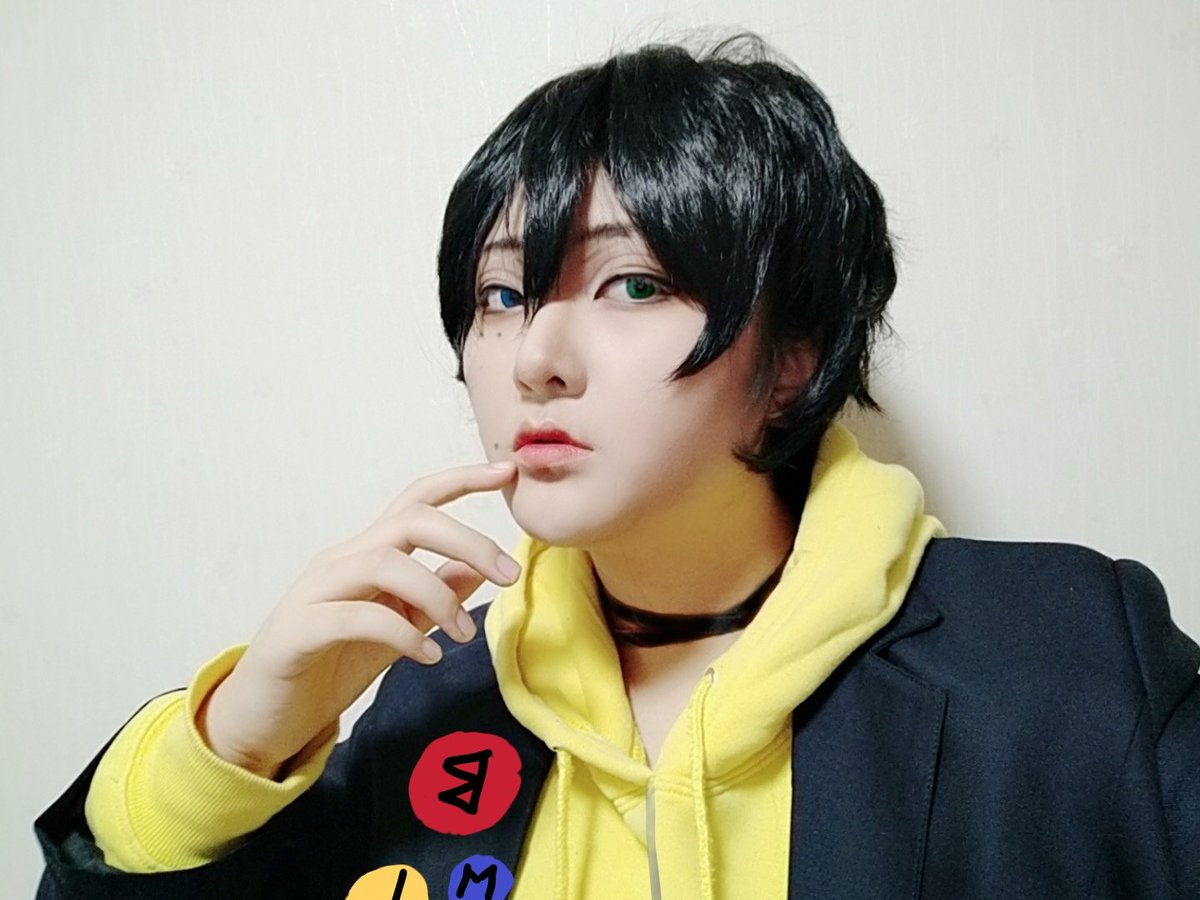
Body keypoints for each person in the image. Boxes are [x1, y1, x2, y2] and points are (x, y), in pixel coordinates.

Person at [33, 32, 1200, 900]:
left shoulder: (1070, 653)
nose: (534, 356)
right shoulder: (437, 688)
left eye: (632, 284)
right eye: (501, 294)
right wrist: (237, 735)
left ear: (793, 356)